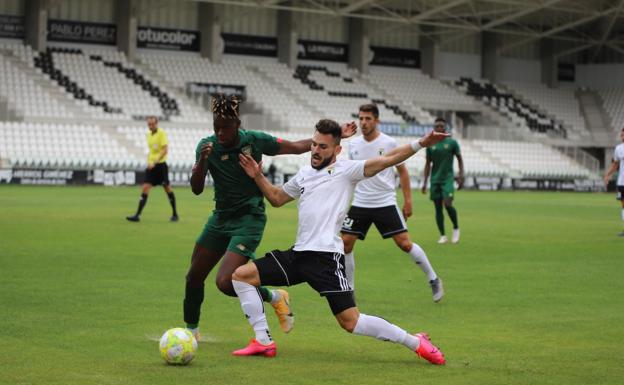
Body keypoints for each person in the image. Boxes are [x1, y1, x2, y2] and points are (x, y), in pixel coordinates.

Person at [231, 119, 447, 364]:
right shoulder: (303, 175)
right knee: (241, 276)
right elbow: (277, 198)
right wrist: (258, 176)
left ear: (337, 149)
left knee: (351, 322)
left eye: (323, 146)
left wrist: (422, 143)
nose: (315, 150)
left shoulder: (347, 170)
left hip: (325, 259)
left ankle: (416, 342)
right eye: (313, 144)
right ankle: (264, 341)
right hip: (298, 255)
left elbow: (388, 159)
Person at [185, 94, 356, 341]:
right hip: (219, 218)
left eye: (226, 128)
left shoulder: (254, 140)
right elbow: (196, 188)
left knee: (225, 282)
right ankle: (191, 332)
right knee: (193, 277)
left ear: (238, 125)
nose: (220, 133)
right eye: (216, 127)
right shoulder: (206, 146)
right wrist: (202, 160)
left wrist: (337, 133)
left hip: (249, 219)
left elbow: (298, 147)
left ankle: (271, 301)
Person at [341, 104, 443, 302]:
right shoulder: (353, 145)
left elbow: (402, 172)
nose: (363, 122)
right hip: (361, 202)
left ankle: (433, 278)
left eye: (368, 118)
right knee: (345, 244)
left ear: (377, 120)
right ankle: (349, 290)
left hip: (384, 201)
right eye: (361, 118)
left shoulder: (388, 142)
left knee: (404, 244)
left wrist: (408, 201)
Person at [126, 116, 178, 222]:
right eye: (149, 124)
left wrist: (155, 161)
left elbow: (165, 149)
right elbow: (151, 151)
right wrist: (149, 161)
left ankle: (175, 214)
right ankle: (137, 215)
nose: (150, 126)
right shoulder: (148, 135)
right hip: (151, 166)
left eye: (152, 124)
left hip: (161, 165)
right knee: (145, 187)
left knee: (167, 188)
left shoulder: (161, 133)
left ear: (156, 123)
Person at [421, 117, 464, 244]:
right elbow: (428, 164)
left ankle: (456, 228)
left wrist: (461, 175)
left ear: (445, 128)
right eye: (437, 126)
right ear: (434, 129)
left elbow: (459, 159)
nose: (439, 128)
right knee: (438, 208)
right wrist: (424, 182)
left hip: (448, 179)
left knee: (448, 204)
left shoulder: (452, 143)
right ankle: (443, 235)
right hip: (435, 180)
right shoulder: (430, 144)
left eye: (441, 126)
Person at [603, 127, 624, 236]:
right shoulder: (619, 148)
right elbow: (615, 165)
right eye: (621, 135)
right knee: (623, 205)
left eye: (623, 135)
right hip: (622, 182)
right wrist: (607, 175)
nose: (622, 137)